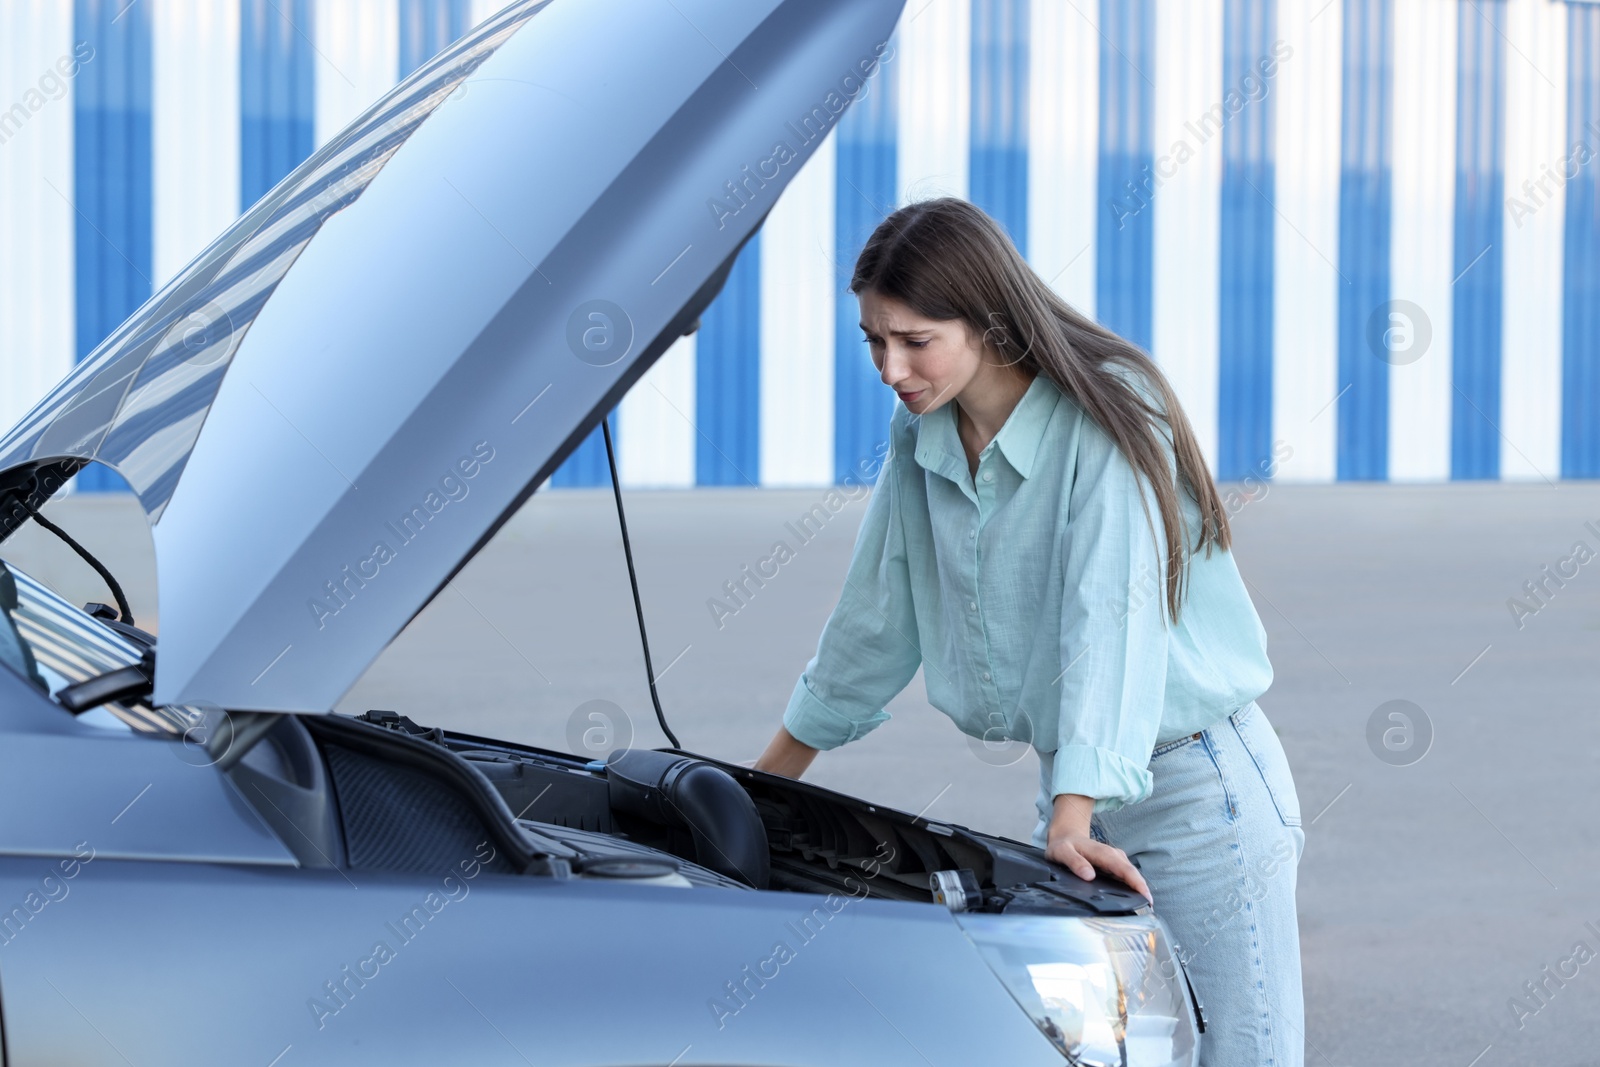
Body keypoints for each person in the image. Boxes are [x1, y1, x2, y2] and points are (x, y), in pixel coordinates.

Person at [751, 197, 1306, 1066]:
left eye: (914, 339)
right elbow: (876, 612)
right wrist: (762, 784)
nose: (890, 366)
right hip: (1074, 797)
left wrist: (1073, 812)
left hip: (1197, 796)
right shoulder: (923, 430)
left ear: (986, 319)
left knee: (1242, 1055)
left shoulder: (1110, 412)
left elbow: (1111, 617)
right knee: (1107, 1057)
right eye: (873, 339)